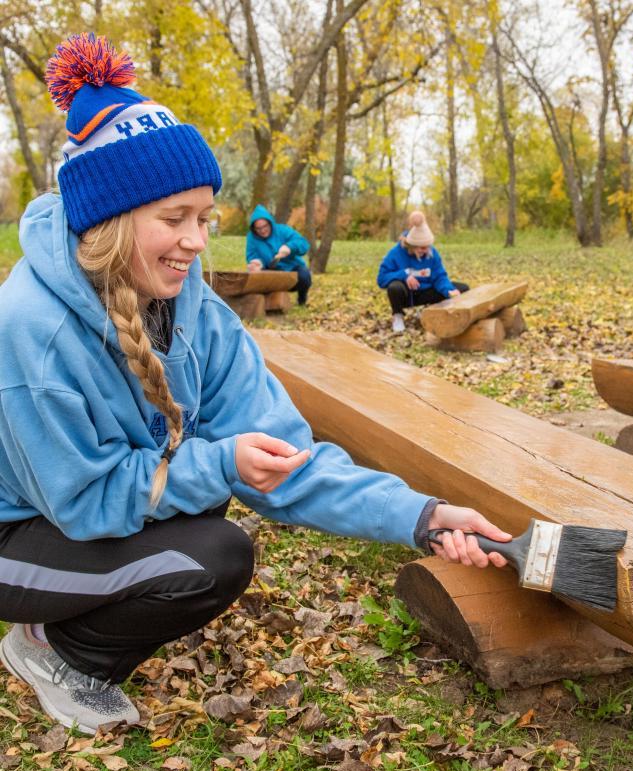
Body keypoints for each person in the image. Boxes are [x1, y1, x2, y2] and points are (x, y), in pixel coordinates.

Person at [0, 34, 509, 735]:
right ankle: (54, 652)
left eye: (205, 218)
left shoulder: (197, 312)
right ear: (110, 221)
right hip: (18, 532)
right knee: (209, 553)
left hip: (84, 511)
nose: (198, 241)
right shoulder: (31, 325)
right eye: (174, 219)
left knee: (206, 539)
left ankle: (69, 632)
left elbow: (288, 460)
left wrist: (422, 517)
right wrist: (216, 461)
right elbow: (85, 503)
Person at [377, 211, 469, 333]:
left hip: (425, 292)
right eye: (421, 248)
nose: (425, 250)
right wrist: (404, 275)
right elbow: (381, 278)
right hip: (406, 294)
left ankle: (433, 311)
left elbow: (439, 276)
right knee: (394, 287)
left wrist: (449, 290)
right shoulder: (396, 253)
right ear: (412, 245)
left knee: (463, 288)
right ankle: (398, 316)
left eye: (427, 247)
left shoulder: (431, 253)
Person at [246, 206, 312, 306]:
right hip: (269, 269)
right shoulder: (251, 237)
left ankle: (302, 299)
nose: (263, 230)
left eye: (265, 226)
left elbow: (303, 244)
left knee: (305, 276)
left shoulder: (283, 230)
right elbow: (252, 254)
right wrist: (256, 263)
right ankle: (266, 303)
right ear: (253, 228)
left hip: (292, 268)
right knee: (255, 279)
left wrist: (289, 247)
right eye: (258, 228)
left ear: (270, 223)